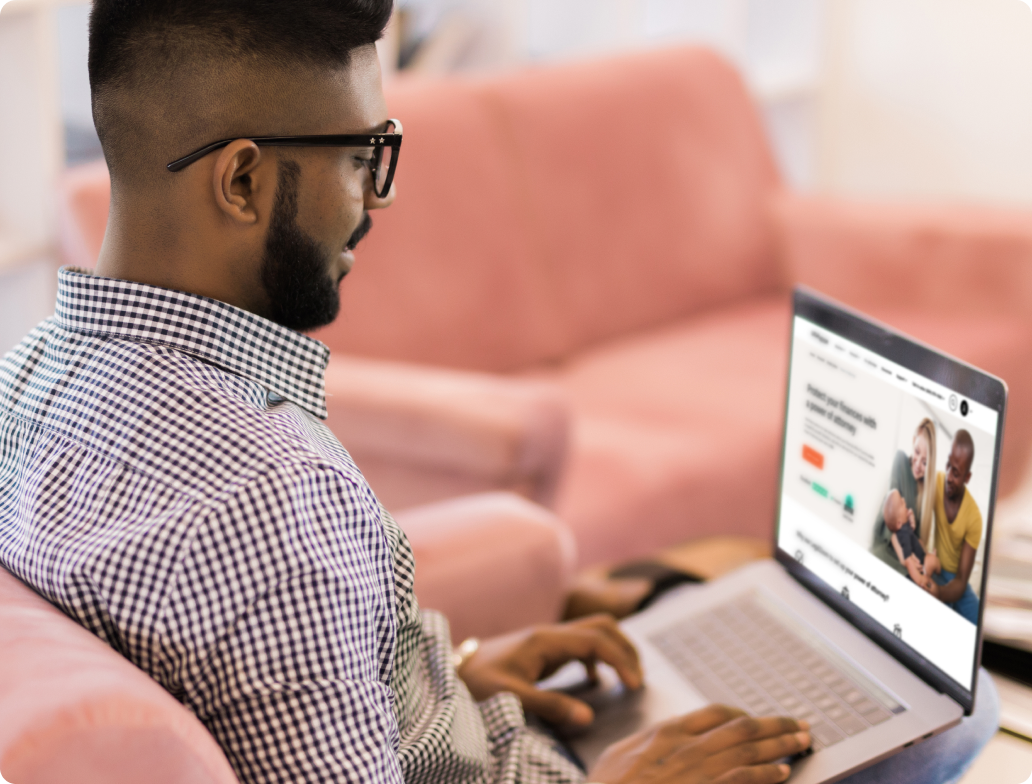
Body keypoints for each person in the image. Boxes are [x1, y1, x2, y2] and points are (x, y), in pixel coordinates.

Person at [0, 2, 995, 783]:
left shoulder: (34, 375)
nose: (376, 203)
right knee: (955, 718)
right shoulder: (273, 502)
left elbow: (272, 687)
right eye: (363, 158)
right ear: (243, 182)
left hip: (483, 737)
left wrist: (448, 678)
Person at [915, 430, 983, 625]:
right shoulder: (935, 482)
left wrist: (941, 592)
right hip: (936, 568)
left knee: (979, 621)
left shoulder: (974, 517)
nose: (949, 477)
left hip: (956, 579)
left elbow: (962, 580)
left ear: (967, 477)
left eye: (956, 472)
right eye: (948, 465)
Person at [871, 419, 937, 575]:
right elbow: (890, 519)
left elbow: (916, 540)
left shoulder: (924, 495)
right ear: (913, 441)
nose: (918, 464)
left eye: (925, 462)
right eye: (917, 452)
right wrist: (905, 560)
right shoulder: (900, 460)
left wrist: (926, 555)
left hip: (908, 557)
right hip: (888, 548)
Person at [882, 489, 928, 577]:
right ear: (899, 523)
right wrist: (918, 579)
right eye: (901, 503)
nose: (904, 499)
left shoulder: (903, 526)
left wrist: (910, 519)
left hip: (921, 557)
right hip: (919, 565)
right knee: (933, 562)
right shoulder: (904, 533)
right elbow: (907, 558)